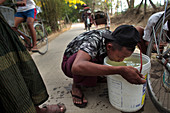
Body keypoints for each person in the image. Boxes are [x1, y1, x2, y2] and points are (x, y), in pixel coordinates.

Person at [0, 2, 66, 113]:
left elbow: (24, 2)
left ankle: (34, 44)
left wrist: (15, 3)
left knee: (30, 23)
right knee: (13, 27)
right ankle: (26, 39)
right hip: (20, 11)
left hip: (29, 9)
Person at [61, 25, 146, 108]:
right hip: (71, 62)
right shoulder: (93, 40)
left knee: (107, 60)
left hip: (95, 55)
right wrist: (120, 70)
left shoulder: (116, 39)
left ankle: (98, 76)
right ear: (109, 47)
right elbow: (77, 67)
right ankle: (76, 86)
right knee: (83, 63)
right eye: (121, 57)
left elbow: (139, 29)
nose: (121, 60)